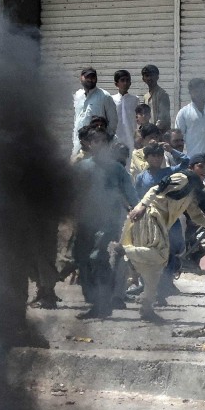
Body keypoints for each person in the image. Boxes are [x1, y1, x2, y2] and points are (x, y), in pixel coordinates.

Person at [124, 153, 205, 323]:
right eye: (201, 166)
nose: (204, 171)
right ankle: (124, 251)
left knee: (156, 268)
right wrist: (142, 206)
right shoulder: (182, 178)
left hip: (161, 223)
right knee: (160, 256)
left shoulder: (192, 189)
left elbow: (196, 216)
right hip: (152, 216)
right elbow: (155, 189)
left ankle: (146, 308)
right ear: (192, 166)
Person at [72, 127, 137, 319]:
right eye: (95, 142)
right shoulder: (82, 167)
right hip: (86, 220)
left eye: (103, 142)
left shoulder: (116, 169)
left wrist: (137, 209)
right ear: (89, 144)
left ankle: (103, 303)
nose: (99, 145)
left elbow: (131, 193)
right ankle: (95, 301)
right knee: (81, 258)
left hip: (109, 222)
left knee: (98, 257)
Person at [72, 68, 118, 159]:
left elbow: (113, 123)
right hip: (79, 145)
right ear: (81, 78)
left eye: (93, 77)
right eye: (87, 77)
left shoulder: (104, 96)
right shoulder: (78, 95)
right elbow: (76, 121)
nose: (90, 79)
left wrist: (103, 142)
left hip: (97, 148)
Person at [112, 70, 139, 154]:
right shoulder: (111, 99)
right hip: (115, 138)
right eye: (122, 80)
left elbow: (138, 119)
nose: (125, 83)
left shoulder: (135, 99)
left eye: (127, 80)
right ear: (116, 84)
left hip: (131, 138)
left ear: (130, 83)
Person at [141, 64, 171, 129]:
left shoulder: (162, 94)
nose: (149, 78)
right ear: (143, 79)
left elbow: (163, 119)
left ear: (157, 77)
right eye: (147, 76)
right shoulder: (146, 96)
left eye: (151, 75)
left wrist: (154, 131)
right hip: (149, 134)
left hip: (160, 134)